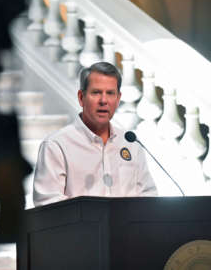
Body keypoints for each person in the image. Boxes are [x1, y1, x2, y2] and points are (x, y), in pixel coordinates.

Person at [33, 62, 157, 206]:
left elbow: (149, 197)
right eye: (96, 92)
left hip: (127, 228)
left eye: (110, 93)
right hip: (79, 229)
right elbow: (48, 204)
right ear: (81, 97)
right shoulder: (56, 146)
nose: (103, 101)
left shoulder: (131, 144)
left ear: (118, 100)